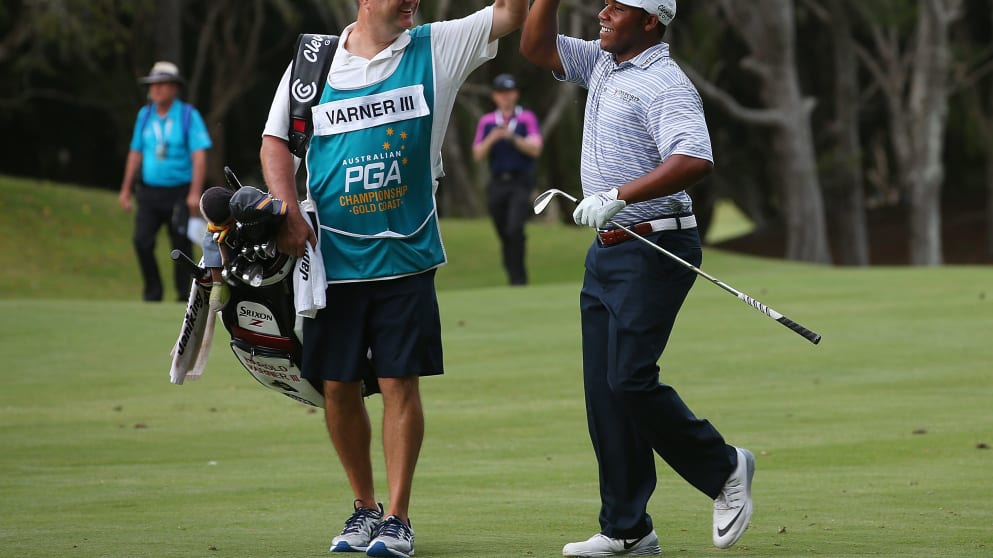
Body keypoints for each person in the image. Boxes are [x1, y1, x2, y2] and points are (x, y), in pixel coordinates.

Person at [259, 1, 529, 556]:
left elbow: (509, 12)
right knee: (336, 387)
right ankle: (364, 507)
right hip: (332, 260)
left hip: (406, 257)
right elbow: (276, 141)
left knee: (399, 381)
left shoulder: (437, 45)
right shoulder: (315, 60)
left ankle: (398, 517)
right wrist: (286, 210)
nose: (413, 0)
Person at [520, 1, 755, 556]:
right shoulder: (603, 61)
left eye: (617, 8)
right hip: (608, 249)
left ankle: (724, 469)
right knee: (605, 393)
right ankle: (627, 529)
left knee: (628, 379)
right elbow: (535, 46)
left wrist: (619, 195)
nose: (602, 13)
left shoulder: (666, 83)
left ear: (650, 20)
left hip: (657, 245)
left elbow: (694, 158)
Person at [118, 61, 212, 302]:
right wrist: (126, 189)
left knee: (181, 245)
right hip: (149, 192)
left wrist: (194, 193)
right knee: (141, 240)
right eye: (153, 85)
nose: (156, 90)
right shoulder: (145, 114)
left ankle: (184, 297)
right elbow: (135, 152)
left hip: (179, 192)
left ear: (174, 88)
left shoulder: (188, 115)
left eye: (161, 85)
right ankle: (153, 292)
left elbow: (199, 156)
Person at [472, 73, 543, 286]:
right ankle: (512, 274)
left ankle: (519, 279)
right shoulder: (487, 122)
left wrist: (512, 137)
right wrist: (493, 138)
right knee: (503, 230)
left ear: (516, 94)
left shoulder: (525, 118)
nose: (506, 97)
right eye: (502, 93)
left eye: (510, 92)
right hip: (497, 183)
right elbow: (477, 154)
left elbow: (535, 149)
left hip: (520, 182)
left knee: (515, 228)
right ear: (495, 96)